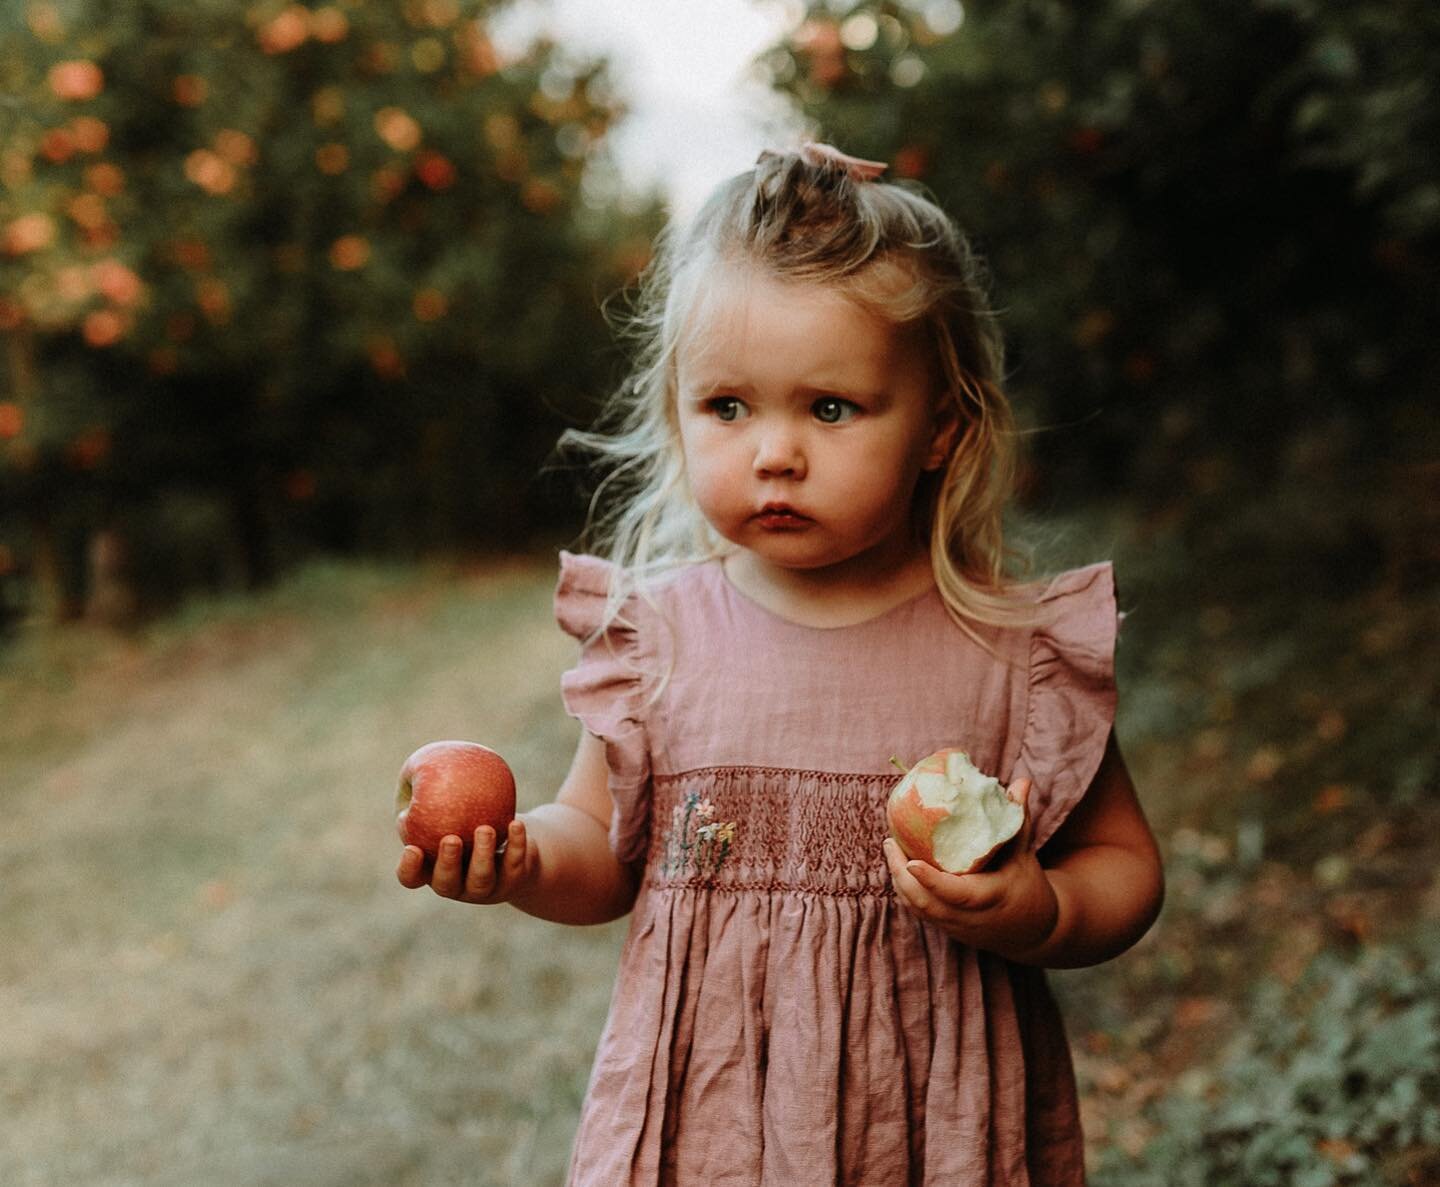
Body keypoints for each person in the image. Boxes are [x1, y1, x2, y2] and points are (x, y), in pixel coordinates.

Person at [396, 142, 1165, 1185]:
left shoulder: (1010, 652)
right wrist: (525, 859)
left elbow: (1126, 867)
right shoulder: (657, 638)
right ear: (678, 408)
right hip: (714, 1118)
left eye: (831, 407)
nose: (775, 453)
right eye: (728, 407)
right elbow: (602, 849)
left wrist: (1043, 910)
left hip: (928, 1128)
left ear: (939, 426)